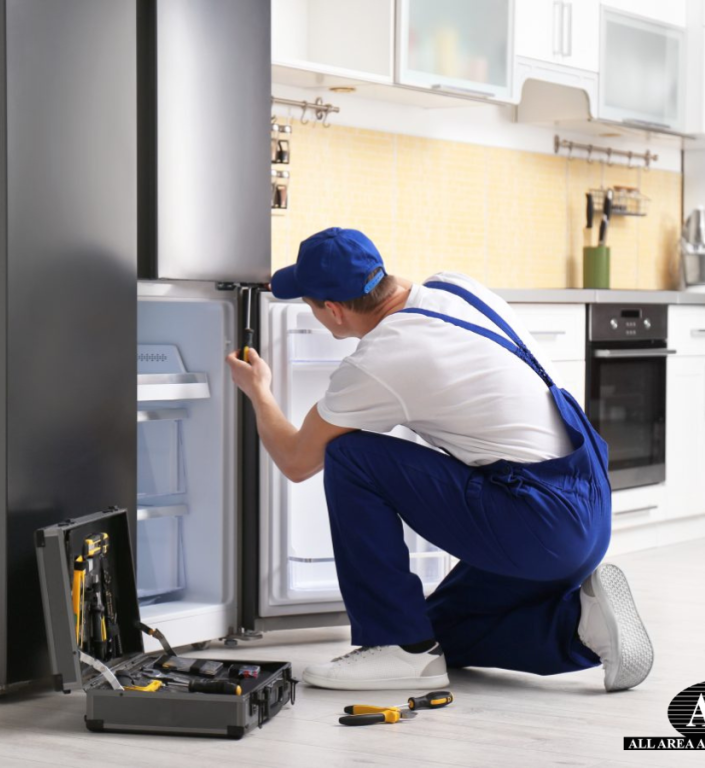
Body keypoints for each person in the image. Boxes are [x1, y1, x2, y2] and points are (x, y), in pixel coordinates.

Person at [226, 227, 653, 692]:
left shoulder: (381, 358)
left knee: (350, 455)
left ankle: (397, 647)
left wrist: (259, 392)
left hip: (538, 522)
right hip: (586, 504)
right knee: (437, 633)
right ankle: (580, 627)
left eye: (311, 305)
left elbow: (296, 460)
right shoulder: (455, 287)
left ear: (333, 310)